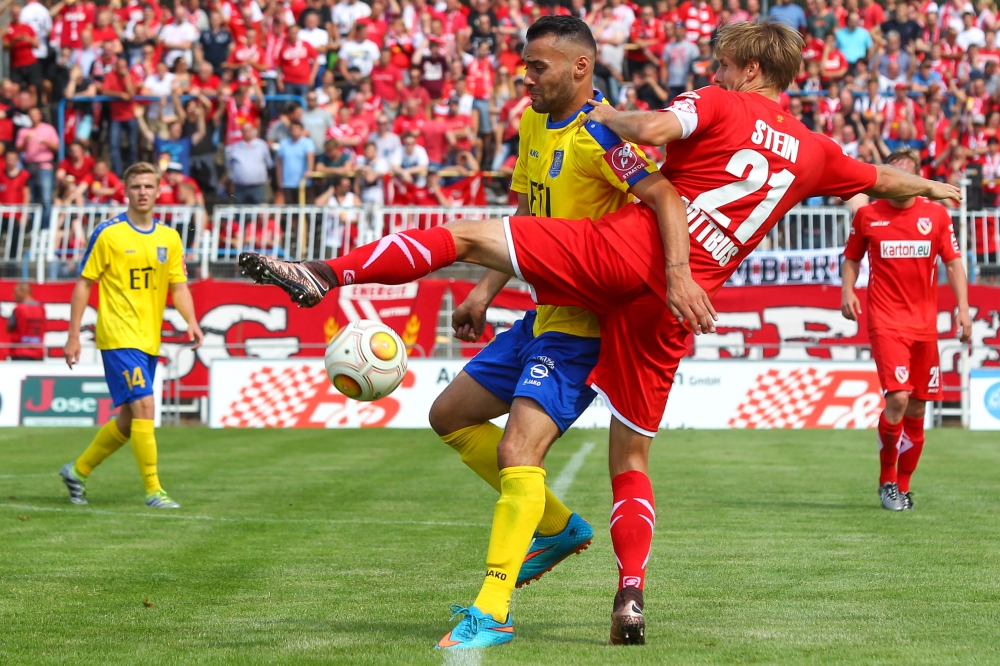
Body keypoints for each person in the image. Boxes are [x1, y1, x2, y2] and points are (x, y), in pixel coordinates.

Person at [238, 19, 962, 647]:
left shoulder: (714, 103)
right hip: (673, 305)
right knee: (624, 453)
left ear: (748, 69)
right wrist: (931, 186)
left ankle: (326, 273)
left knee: (466, 248)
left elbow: (653, 148)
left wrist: (610, 114)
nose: (712, 73)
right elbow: (879, 179)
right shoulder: (814, 150)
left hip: (630, 262)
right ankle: (631, 589)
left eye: (720, 64)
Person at [60, 162, 204, 509]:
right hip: (117, 335)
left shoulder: (169, 238)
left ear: (158, 192)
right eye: (136, 186)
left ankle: (77, 471)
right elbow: (83, 285)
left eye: (148, 186)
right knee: (145, 406)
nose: (142, 192)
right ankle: (154, 490)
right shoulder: (108, 234)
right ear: (126, 190)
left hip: (148, 338)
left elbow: (179, 287)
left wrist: (192, 320)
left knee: (128, 421)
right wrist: (73, 335)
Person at [841, 147, 971, 512]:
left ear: (918, 182)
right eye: (891, 174)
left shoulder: (937, 216)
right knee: (897, 397)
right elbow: (852, 258)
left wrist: (962, 309)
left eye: (905, 176)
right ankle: (886, 481)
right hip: (886, 322)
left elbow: (954, 264)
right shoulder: (868, 215)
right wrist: (847, 290)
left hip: (925, 327)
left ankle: (903, 486)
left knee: (916, 409)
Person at [15, 106, 58, 230]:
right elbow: (18, 150)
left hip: (44, 165)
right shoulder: (24, 131)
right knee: (31, 198)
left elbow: (57, 147)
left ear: (40, 115)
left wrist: (46, 142)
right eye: (31, 114)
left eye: (35, 114)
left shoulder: (48, 129)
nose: (33, 116)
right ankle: (34, 226)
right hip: (29, 166)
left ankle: (45, 227)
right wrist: (25, 142)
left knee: (46, 198)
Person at [226, 122, 273, 204]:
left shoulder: (262, 145)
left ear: (253, 130)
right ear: (242, 132)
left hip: (258, 186)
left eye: (249, 129)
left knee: (259, 212)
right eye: (245, 130)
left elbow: (269, 164)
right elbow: (229, 166)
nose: (247, 132)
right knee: (239, 212)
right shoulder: (235, 147)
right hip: (240, 187)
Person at [276, 120, 315, 204]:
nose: (295, 130)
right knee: (290, 210)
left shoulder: (307, 142)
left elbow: (310, 157)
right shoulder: (284, 143)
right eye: (293, 128)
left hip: (303, 182)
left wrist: (310, 170)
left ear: (301, 130)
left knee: (305, 208)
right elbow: (279, 163)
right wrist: (279, 181)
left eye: (297, 128)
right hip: (287, 183)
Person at [6, 281, 46, 361]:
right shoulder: (42, 309)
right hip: (38, 352)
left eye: (15, 293)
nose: (14, 296)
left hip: (20, 352)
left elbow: (9, 328)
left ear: (23, 292)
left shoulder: (18, 309)